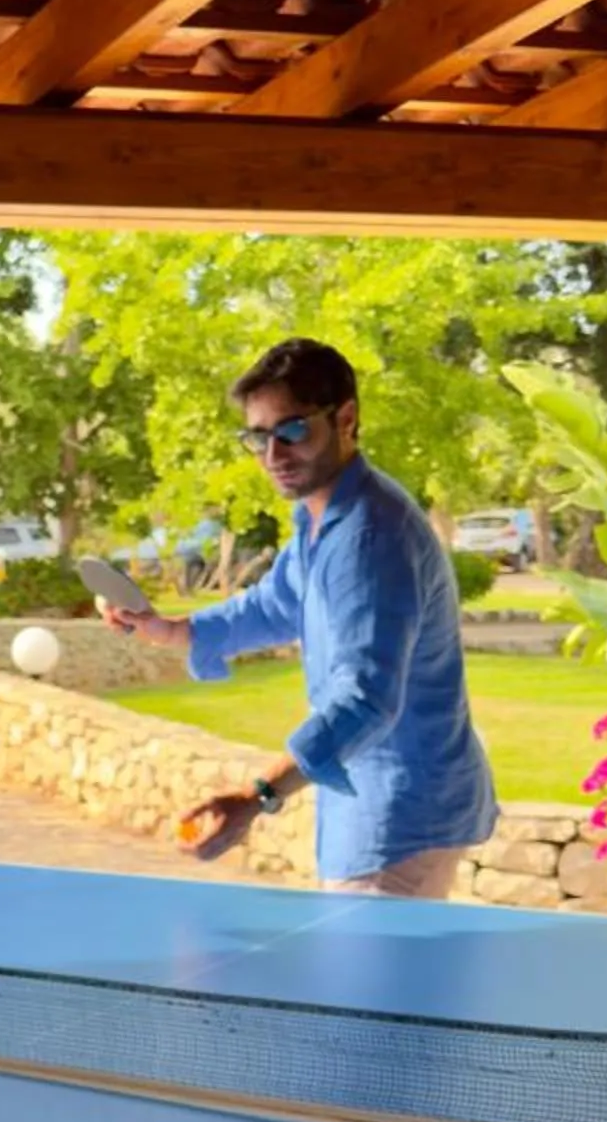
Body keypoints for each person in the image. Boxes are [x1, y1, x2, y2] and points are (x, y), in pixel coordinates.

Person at [106, 337, 496, 896]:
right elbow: (276, 603)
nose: (273, 455)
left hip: (400, 819)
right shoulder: (322, 518)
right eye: (257, 437)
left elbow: (365, 701)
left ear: (346, 419)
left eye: (291, 431)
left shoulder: (369, 536)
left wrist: (257, 795)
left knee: (367, 986)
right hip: (376, 808)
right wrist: (171, 629)